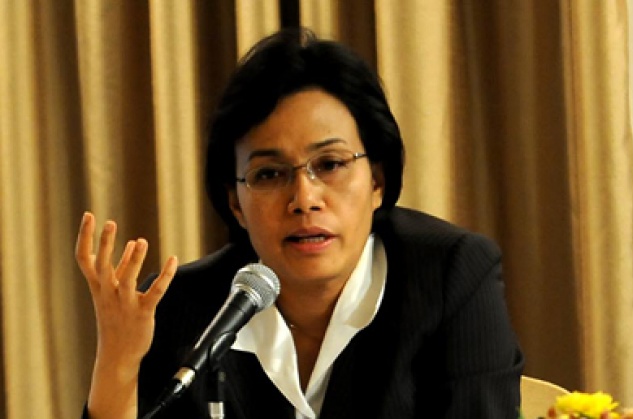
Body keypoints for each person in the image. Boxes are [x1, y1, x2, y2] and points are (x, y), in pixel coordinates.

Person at [78, 28, 524, 419]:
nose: (304, 200)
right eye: (269, 174)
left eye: (329, 164)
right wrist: (118, 364)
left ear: (377, 181)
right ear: (236, 203)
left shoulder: (451, 278)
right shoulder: (181, 310)